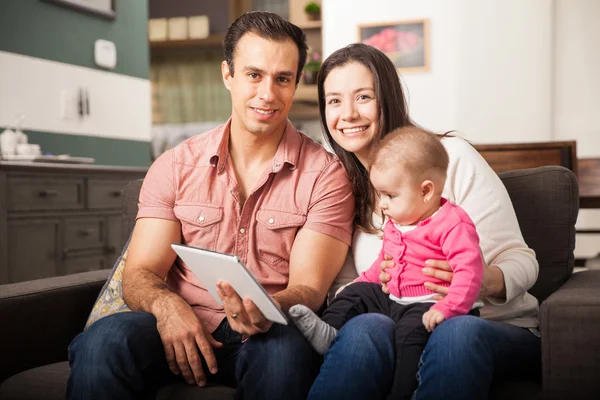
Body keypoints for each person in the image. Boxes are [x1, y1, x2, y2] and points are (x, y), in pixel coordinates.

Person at [66, 12, 355, 400]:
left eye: (282, 78)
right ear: (227, 75)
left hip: (269, 329)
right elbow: (140, 273)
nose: (267, 93)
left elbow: (310, 288)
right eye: (254, 75)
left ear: (295, 82)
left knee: (285, 356)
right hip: (182, 320)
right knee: (104, 341)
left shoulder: (325, 175)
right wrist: (168, 308)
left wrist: (267, 307)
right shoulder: (175, 164)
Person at [307, 43, 541, 400]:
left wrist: (483, 281)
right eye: (334, 101)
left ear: (389, 99)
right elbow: (345, 285)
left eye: (364, 97)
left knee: (455, 331)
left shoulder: (450, 160)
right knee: (363, 328)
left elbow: (524, 261)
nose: (348, 114)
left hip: (492, 326)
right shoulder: (343, 186)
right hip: (402, 324)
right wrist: (381, 288)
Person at [290, 126, 484, 399]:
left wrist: (450, 307)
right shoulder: (398, 221)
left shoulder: (452, 223)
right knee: (355, 294)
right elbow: (384, 261)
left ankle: (403, 391)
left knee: (409, 338)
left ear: (426, 191)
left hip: (429, 303)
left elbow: (470, 270)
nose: (381, 204)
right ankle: (331, 332)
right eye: (379, 194)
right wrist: (361, 282)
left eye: (390, 196)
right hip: (393, 299)